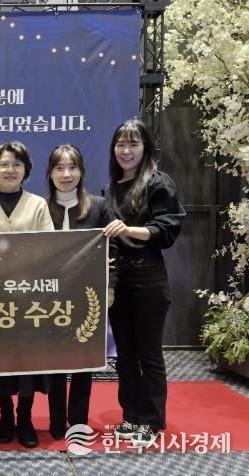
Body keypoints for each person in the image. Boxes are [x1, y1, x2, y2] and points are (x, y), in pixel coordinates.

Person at [102, 119, 186, 448]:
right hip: (117, 278)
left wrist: (127, 230)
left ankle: (151, 420)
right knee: (124, 354)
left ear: (146, 148)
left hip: (148, 276)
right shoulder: (110, 189)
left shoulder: (158, 182)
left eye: (133, 144)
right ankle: (131, 414)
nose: (126, 150)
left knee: (148, 353)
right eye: (121, 144)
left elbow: (166, 230)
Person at [0, 141, 53, 448]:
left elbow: (49, 249)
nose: (10, 170)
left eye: (17, 164)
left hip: (29, 298)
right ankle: (5, 415)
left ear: (26, 170)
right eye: (4, 164)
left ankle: (25, 417)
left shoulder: (38, 204)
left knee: (27, 362)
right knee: (1, 362)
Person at [44, 144, 116, 440]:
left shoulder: (99, 206)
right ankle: (56, 420)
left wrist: (110, 287)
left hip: (89, 296)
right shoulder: (41, 208)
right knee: (54, 363)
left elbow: (114, 252)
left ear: (82, 171)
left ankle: (78, 421)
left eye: (72, 167)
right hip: (50, 298)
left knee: (84, 363)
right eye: (59, 168)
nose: (66, 174)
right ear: (50, 174)